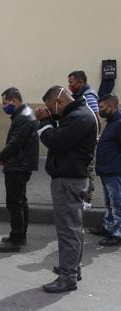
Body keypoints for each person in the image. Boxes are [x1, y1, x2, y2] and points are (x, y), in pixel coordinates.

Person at [36, 86, 97, 293]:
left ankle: (67, 277)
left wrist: (44, 123)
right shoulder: (78, 115)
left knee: (67, 230)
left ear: (59, 101)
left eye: (50, 107)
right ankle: (72, 267)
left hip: (68, 180)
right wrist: (51, 122)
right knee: (74, 228)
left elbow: (55, 141)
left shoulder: (79, 118)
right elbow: (62, 137)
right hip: (72, 178)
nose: (51, 111)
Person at [0, 87, 39, 252]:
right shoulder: (25, 114)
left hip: (18, 165)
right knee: (20, 201)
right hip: (22, 164)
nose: (4, 107)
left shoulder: (24, 117)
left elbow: (15, 143)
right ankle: (20, 235)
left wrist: (1, 157)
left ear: (14, 101)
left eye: (5, 103)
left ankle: (16, 239)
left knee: (15, 203)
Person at [89, 94, 121, 246]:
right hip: (107, 171)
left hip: (114, 171)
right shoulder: (112, 122)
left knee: (117, 203)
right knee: (109, 202)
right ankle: (108, 226)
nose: (99, 110)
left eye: (102, 107)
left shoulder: (119, 123)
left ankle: (117, 233)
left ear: (113, 106)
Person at [68, 70, 101, 209]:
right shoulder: (78, 96)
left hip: (87, 141)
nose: (69, 85)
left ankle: (87, 199)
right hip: (80, 140)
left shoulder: (88, 97)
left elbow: (96, 119)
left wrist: (95, 137)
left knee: (89, 168)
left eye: (71, 82)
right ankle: (80, 195)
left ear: (80, 82)